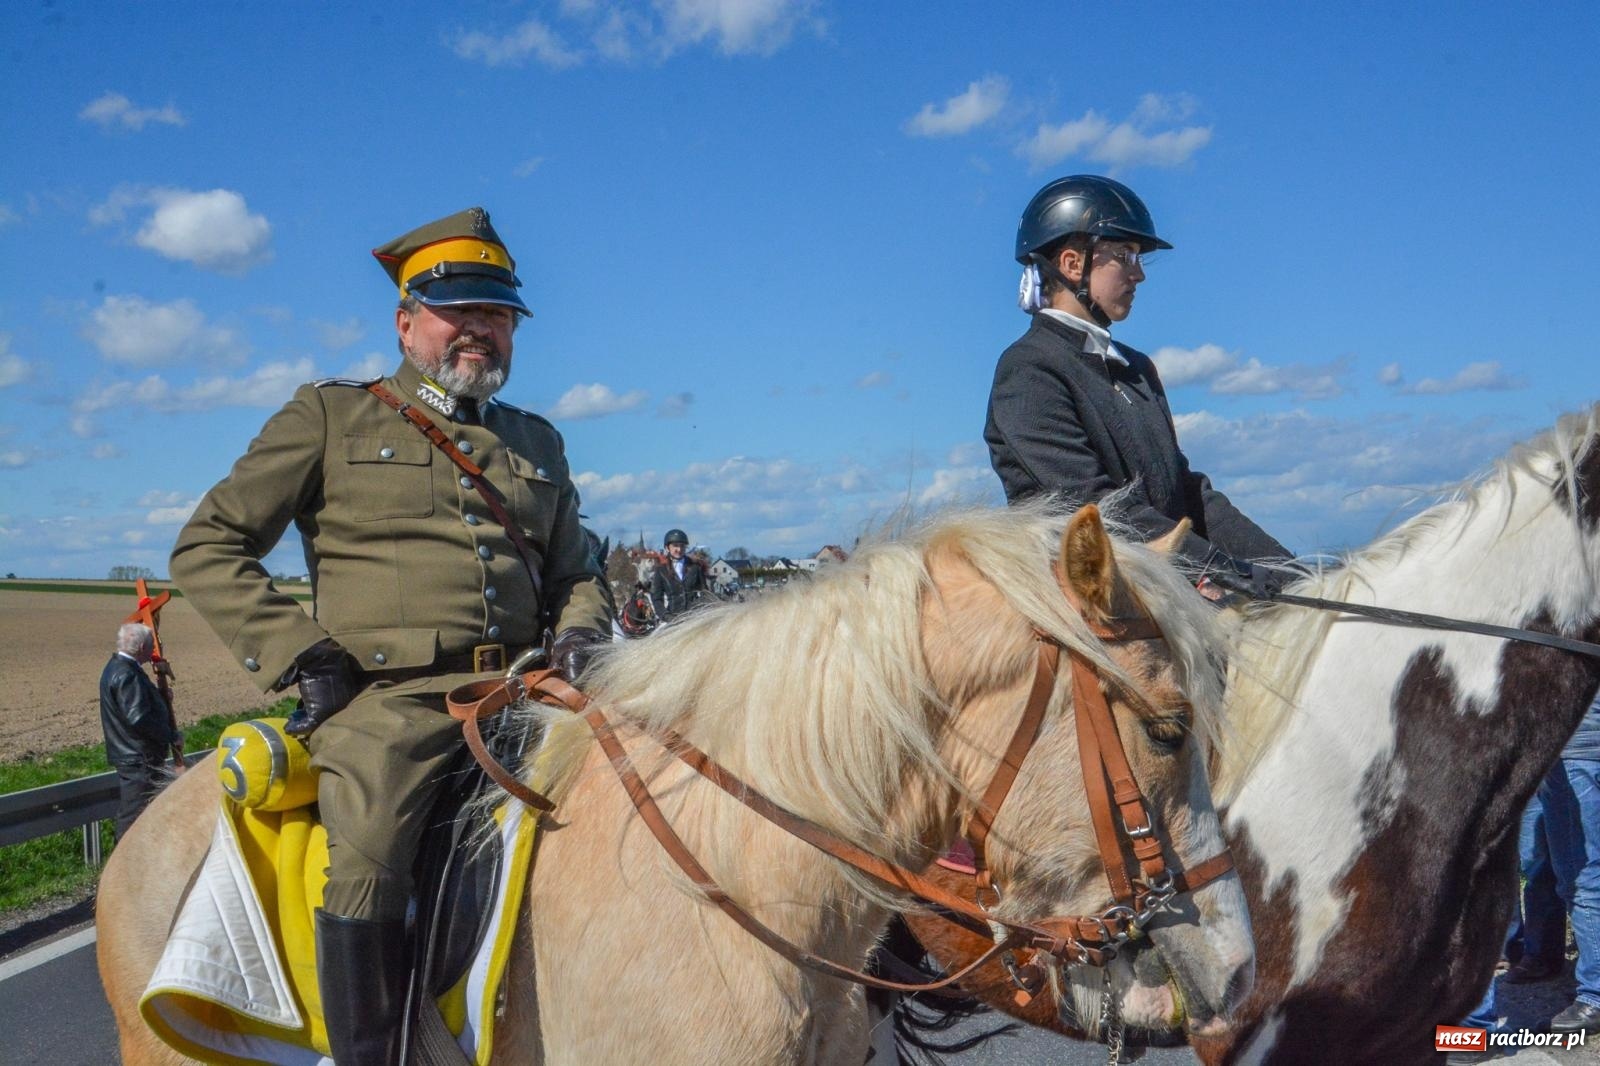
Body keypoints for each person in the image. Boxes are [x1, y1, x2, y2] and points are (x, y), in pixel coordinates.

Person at [170, 206, 611, 1065]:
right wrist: (301, 656)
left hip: (529, 690)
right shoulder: (332, 417)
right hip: (391, 705)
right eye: (461, 310)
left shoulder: (537, 441)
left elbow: (576, 573)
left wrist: (582, 637)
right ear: (407, 321)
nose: (481, 328)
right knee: (368, 861)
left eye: (498, 314)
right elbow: (207, 543)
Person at [983, 175, 1290, 589]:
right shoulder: (1028, 370)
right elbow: (1094, 504)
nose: (1139, 274)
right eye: (1125, 256)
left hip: (1167, 583)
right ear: (1074, 264)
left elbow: (1188, 494)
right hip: (1092, 602)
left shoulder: (1137, 368)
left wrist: (1290, 572)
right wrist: (1221, 569)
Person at [98, 622, 182, 839]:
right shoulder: (127, 674)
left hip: (133, 755)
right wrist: (170, 736)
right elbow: (139, 718)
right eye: (151, 645)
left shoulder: (118, 668)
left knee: (141, 813)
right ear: (141, 648)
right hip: (139, 757)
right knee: (134, 815)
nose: (153, 650)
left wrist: (159, 698)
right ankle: (121, 866)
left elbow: (137, 707)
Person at [649, 528, 712, 622]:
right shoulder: (660, 571)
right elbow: (657, 599)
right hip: (672, 618)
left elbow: (705, 593)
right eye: (675, 546)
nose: (679, 549)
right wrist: (666, 616)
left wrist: (699, 608)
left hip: (695, 617)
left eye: (682, 546)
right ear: (667, 548)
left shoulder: (695, 567)